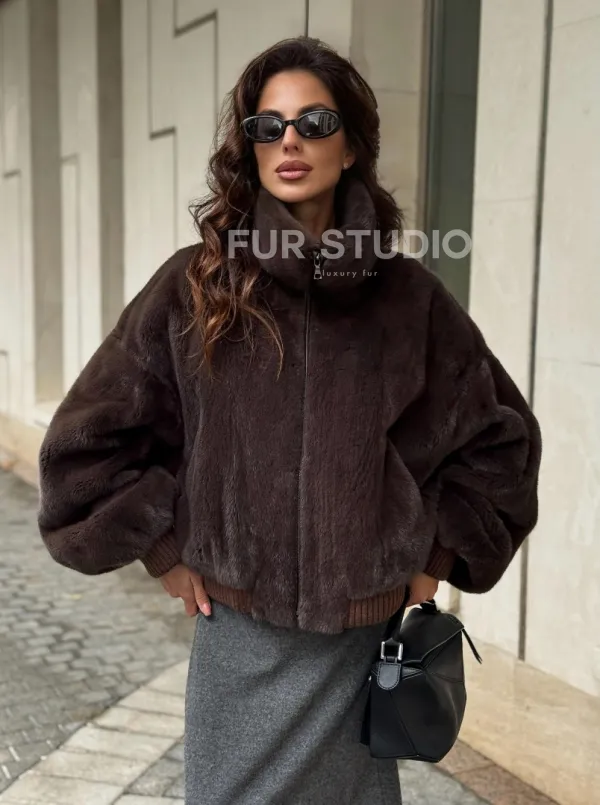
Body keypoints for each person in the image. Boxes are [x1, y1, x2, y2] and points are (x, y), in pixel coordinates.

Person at [36, 36, 542, 805]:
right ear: (251, 147)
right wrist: (163, 549)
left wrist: (436, 554)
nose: (290, 141)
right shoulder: (195, 286)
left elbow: (500, 441)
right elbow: (87, 447)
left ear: (351, 144)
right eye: (267, 127)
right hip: (239, 640)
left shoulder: (408, 300)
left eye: (314, 121)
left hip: (355, 648)